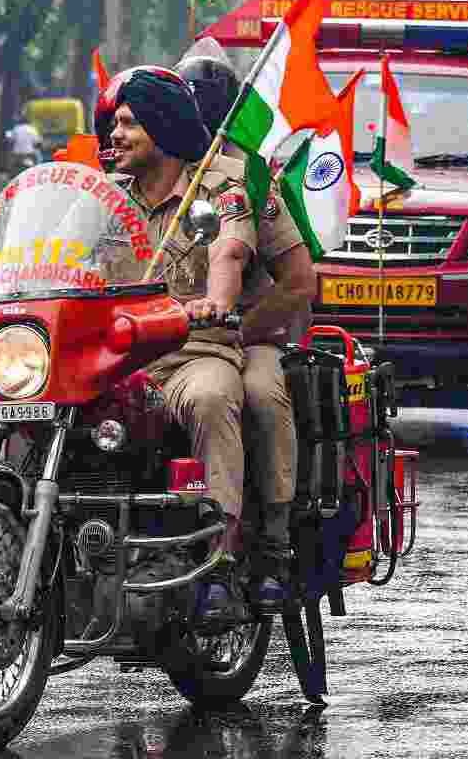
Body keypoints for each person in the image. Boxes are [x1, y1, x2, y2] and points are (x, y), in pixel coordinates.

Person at [95, 65, 272, 623]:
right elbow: (61, 253)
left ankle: (221, 558)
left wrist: (214, 300)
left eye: (129, 124)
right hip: (114, 358)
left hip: (193, 353)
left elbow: (231, 250)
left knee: (212, 400)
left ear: (164, 131)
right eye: (115, 124)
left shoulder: (220, 191)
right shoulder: (104, 197)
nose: (114, 136)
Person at [175, 54, 317, 610]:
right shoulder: (133, 177)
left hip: (241, 335)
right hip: (152, 340)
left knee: (260, 394)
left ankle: (272, 540)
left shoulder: (246, 182)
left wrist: (239, 328)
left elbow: (300, 281)